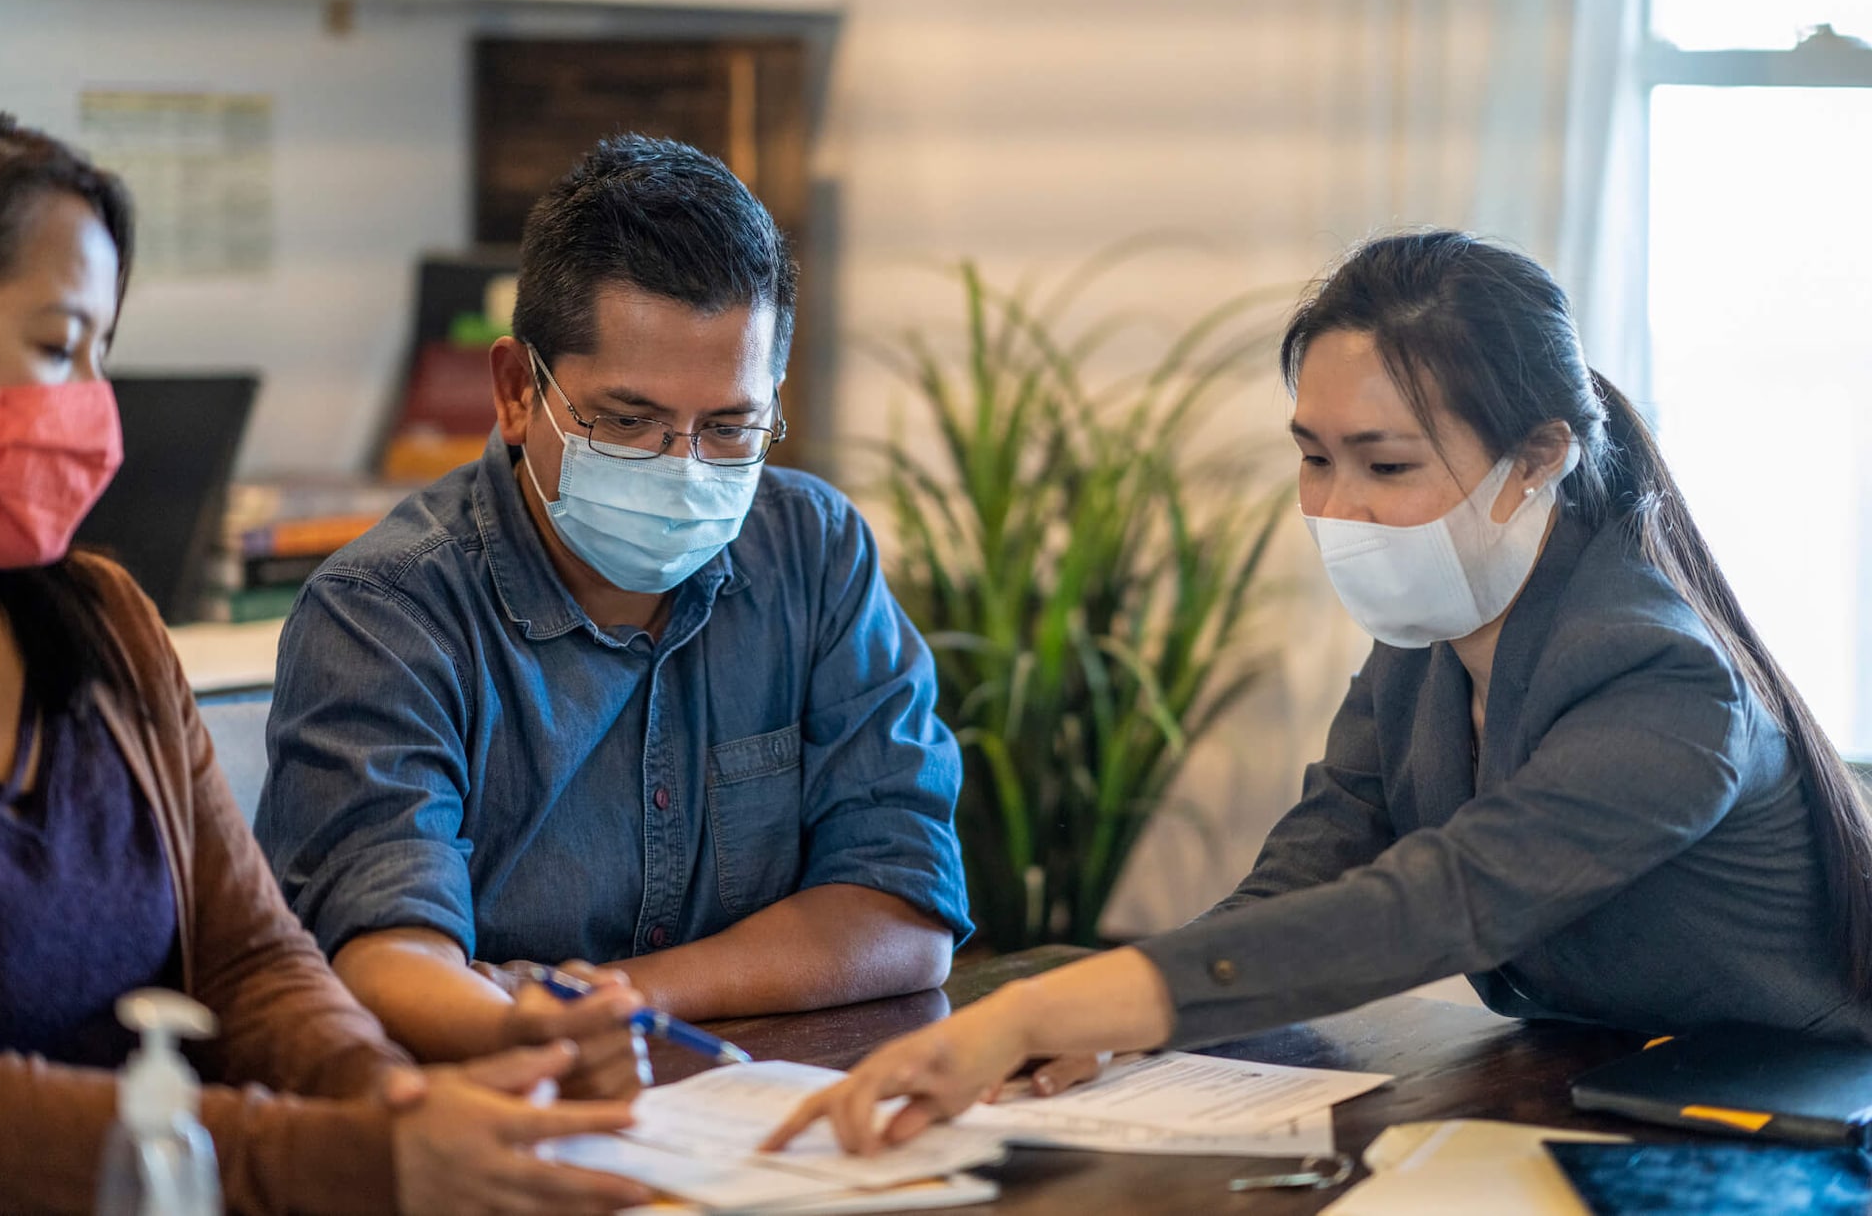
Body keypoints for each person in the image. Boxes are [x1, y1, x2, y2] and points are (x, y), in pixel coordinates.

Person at [765, 230, 1872, 1156]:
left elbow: (1435, 902)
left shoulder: (1659, 677)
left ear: (1537, 456)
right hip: (1590, 1098)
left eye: (1385, 466)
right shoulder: (1430, 633)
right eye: (1312, 456)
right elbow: (1315, 863)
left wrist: (1042, 1006)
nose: (1337, 508)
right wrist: (1125, 1022)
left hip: (1785, 1133)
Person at [0, 99, 659, 1216]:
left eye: (101, 354)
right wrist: (369, 1157)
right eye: (53, 346)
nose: (90, 405)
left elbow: (253, 966)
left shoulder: (103, 622)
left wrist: (396, 1105)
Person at [256, 134, 969, 1061]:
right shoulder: (386, 612)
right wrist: (545, 1037)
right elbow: (384, 957)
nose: (684, 468)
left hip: (756, 1114)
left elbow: (903, 912)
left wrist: (613, 1001)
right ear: (517, 391)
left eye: (729, 427)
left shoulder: (813, 554)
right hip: (502, 1121)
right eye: (628, 422)